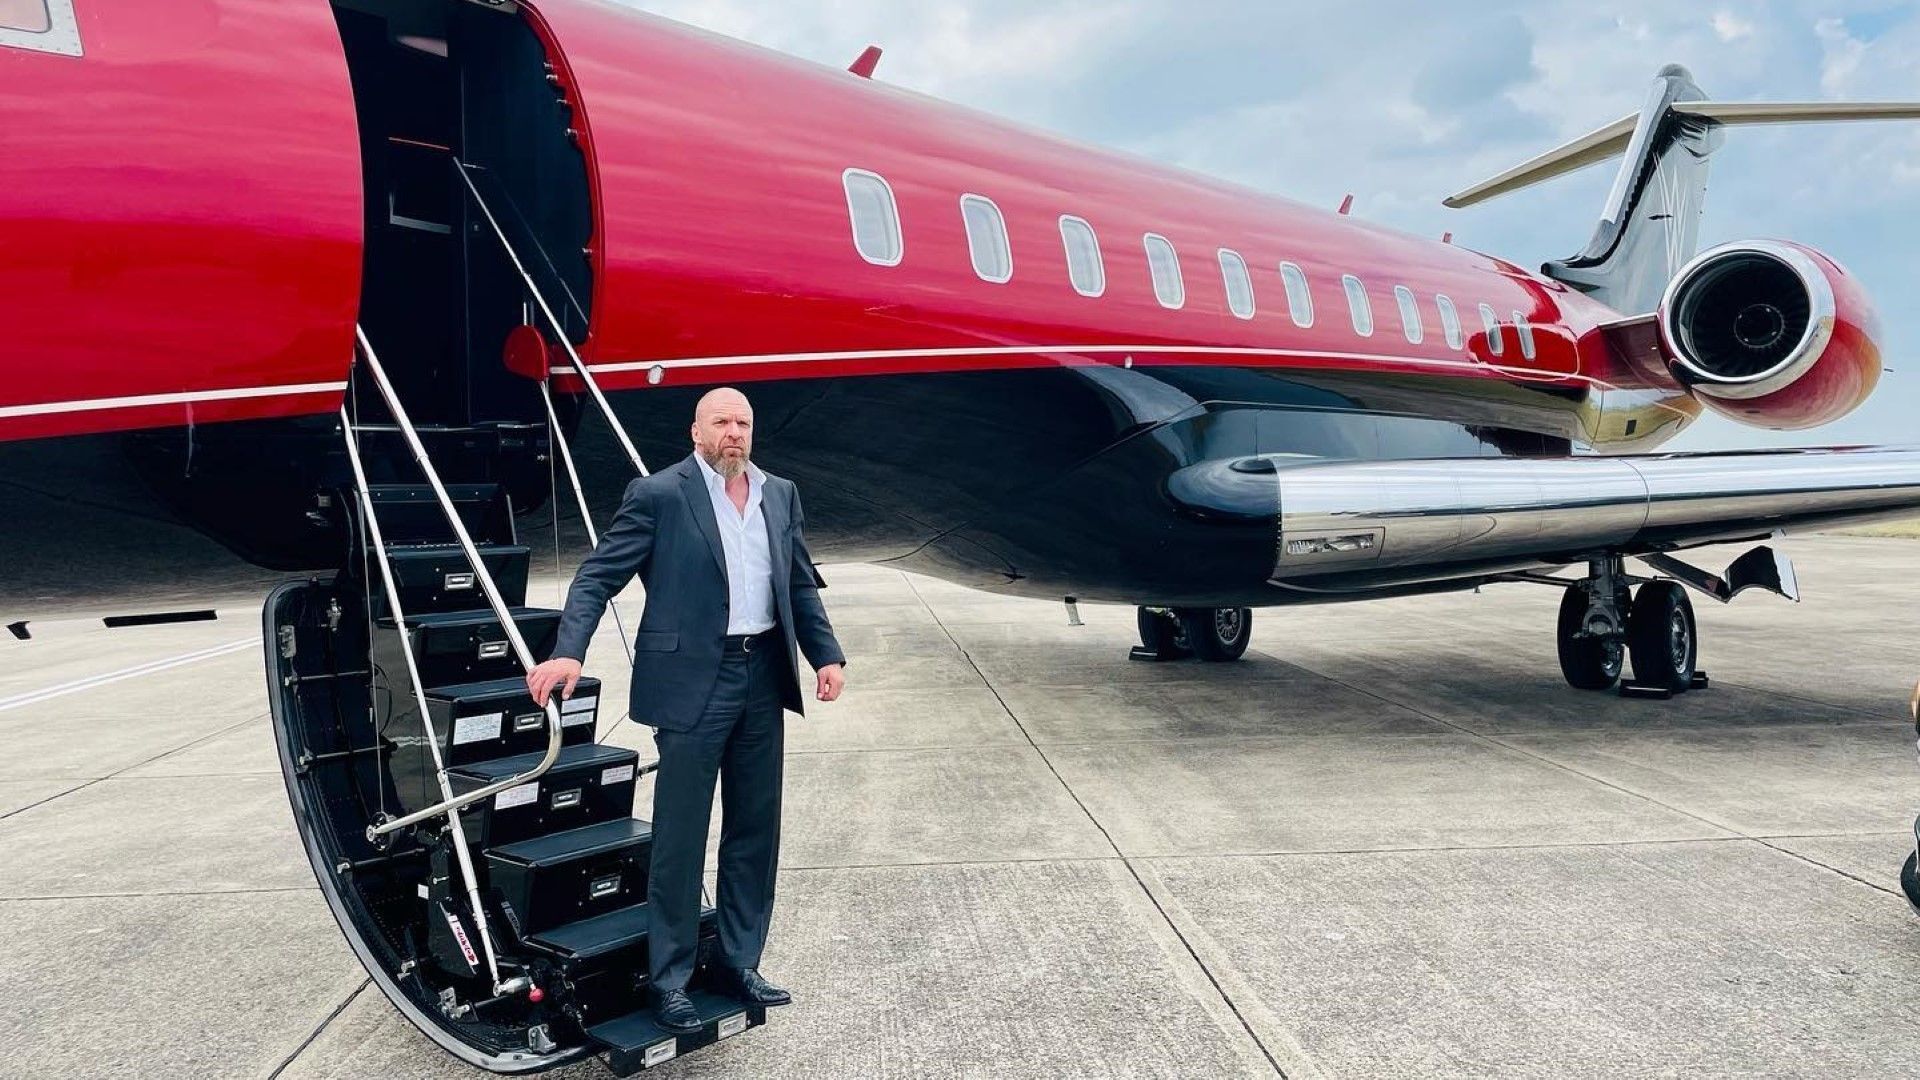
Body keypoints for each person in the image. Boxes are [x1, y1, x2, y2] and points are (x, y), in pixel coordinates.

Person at [526, 387, 846, 1033]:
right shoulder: (659, 494)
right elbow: (597, 575)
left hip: (763, 675)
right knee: (680, 836)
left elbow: (798, 581)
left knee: (756, 830)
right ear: (695, 431)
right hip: (693, 682)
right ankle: (669, 979)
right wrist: (568, 651)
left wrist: (825, 655)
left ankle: (737, 961)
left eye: (743, 423)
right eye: (722, 422)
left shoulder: (778, 493)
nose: (734, 432)